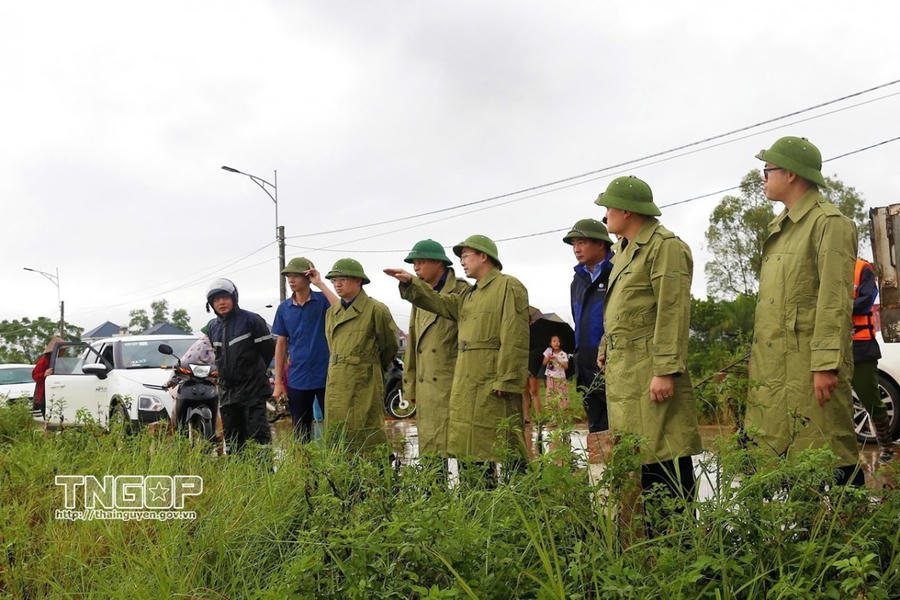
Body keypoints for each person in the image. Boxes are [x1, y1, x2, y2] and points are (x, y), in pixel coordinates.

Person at [746, 136, 862, 485]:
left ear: (792, 174)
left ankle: (848, 532)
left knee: (829, 451)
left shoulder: (830, 223)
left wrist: (826, 363)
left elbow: (834, 300)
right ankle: (800, 534)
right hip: (778, 365)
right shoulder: (782, 228)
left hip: (810, 367)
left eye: (767, 170)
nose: (763, 178)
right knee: (787, 456)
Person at [596, 176, 702, 515]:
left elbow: (672, 310)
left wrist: (666, 370)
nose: (606, 213)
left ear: (627, 211)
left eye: (609, 206)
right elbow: (625, 309)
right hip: (628, 374)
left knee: (664, 458)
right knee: (642, 462)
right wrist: (605, 346)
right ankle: (654, 549)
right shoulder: (624, 250)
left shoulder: (664, 246)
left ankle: (680, 547)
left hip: (651, 372)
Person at [385, 234, 530, 476]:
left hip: (492, 381)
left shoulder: (508, 286)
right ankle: (477, 506)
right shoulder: (469, 296)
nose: (461, 262)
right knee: (472, 447)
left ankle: (523, 503)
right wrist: (411, 283)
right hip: (468, 381)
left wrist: (508, 378)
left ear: (484, 256)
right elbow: (438, 302)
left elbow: (515, 336)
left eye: (465, 256)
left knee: (505, 446)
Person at [400, 239, 470, 462]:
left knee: (466, 451)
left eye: (421, 262)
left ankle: (474, 496)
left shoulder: (462, 290)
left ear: (439, 263)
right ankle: (435, 496)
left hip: (454, 384)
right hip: (427, 389)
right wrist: (410, 386)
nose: (416, 267)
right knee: (431, 455)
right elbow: (413, 346)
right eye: (414, 264)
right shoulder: (418, 297)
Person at [323, 258, 399, 452]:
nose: (337, 284)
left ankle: (374, 475)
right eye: (334, 280)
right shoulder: (332, 312)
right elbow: (333, 345)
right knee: (337, 434)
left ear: (359, 281)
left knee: (366, 431)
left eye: (343, 279)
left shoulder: (376, 310)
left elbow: (389, 346)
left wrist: (368, 365)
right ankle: (341, 478)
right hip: (336, 381)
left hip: (364, 380)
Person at [271, 257, 338, 442]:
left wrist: (320, 283)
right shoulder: (284, 309)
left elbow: (341, 309)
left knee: (334, 426)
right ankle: (305, 468)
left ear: (308, 277)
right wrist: (278, 382)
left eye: (296, 276)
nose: (291, 280)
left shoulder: (322, 301)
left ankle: (335, 467)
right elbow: (281, 345)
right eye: (288, 277)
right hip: (298, 378)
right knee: (301, 431)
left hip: (326, 375)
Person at [206, 278, 276, 453]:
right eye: (216, 300)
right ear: (211, 304)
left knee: (259, 439)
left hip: (253, 390)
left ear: (234, 298)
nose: (221, 302)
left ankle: (263, 475)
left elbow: (267, 351)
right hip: (228, 393)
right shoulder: (212, 327)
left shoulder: (252, 320)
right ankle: (239, 475)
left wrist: (254, 373)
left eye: (225, 297)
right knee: (233, 440)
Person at [563, 217, 614, 433]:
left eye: (581, 243)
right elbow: (577, 319)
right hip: (585, 368)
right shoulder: (578, 280)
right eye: (574, 244)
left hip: (610, 365)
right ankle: (601, 469)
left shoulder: (616, 271)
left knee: (622, 432)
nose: (576, 249)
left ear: (600, 243)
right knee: (597, 433)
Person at [851, 258, 894, 462]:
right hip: (833, 346)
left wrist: (837, 307)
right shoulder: (825, 268)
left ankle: (886, 446)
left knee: (870, 397)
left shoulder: (862, 269)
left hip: (861, 346)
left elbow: (867, 300)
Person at [32, 336, 64, 418]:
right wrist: (44, 374)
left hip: (56, 390)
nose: (64, 352)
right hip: (45, 393)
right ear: (57, 350)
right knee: (47, 416)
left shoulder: (60, 360)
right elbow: (34, 375)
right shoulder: (44, 360)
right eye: (62, 350)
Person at [542, 335, 569, 410]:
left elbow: (566, 366)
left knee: (560, 395)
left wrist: (557, 359)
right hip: (550, 378)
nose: (556, 343)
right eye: (554, 341)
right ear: (550, 343)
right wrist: (548, 358)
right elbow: (544, 363)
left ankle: (561, 414)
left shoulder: (563, 354)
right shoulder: (548, 351)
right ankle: (553, 416)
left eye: (558, 341)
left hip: (560, 379)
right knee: (551, 396)